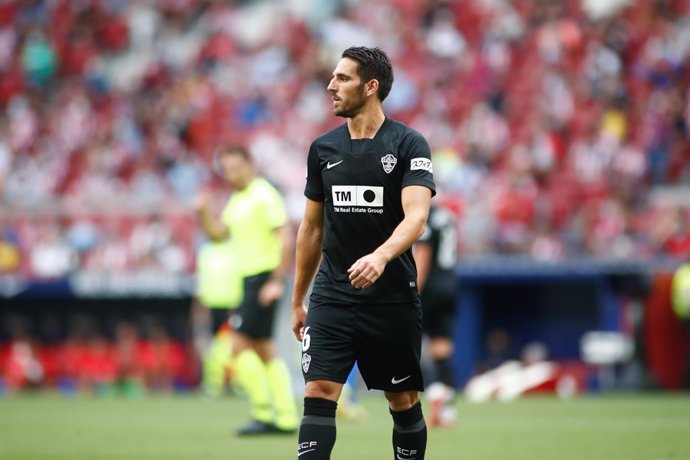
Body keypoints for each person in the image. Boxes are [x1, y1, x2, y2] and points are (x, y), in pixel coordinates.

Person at [291, 46, 435, 460]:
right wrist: (298, 298)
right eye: (333, 77)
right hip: (332, 295)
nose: (331, 85)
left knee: (402, 400)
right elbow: (311, 228)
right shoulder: (323, 149)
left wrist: (380, 256)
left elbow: (416, 218)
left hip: (390, 298)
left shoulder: (409, 144)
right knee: (318, 391)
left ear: (370, 87)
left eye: (342, 78)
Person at [195, 145, 299, 435]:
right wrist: (203, 213)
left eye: (235, 167)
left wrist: (276, 281)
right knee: (265, 349)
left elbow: (285, 238)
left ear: (249, 164)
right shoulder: (237, 199)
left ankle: (263, 412)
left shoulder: (264, 194)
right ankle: (286, 416)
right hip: (249, 280)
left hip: (262, 277)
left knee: (237, 345)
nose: (230, 174)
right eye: (226, 170)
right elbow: (218, 236)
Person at [412, 203, 460, 428]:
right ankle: (448, 410)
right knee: (442, 350)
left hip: (429, 288)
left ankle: (418, 405)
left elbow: (423, 254)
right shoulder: (446, 216)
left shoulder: (424, 215)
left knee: (412, 346)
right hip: (450, 284)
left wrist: (414, 292)